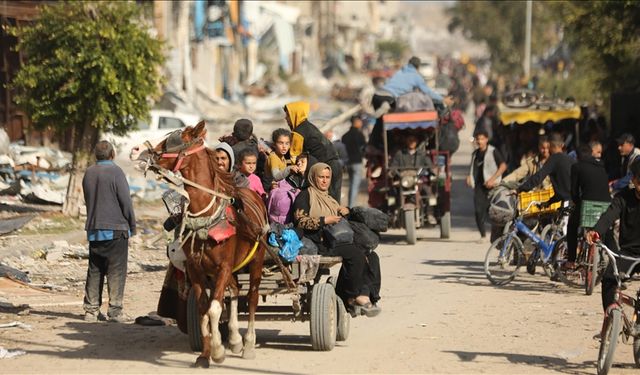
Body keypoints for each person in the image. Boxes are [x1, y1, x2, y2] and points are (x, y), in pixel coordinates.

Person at [292, 163, 381, 316]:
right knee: (356, 256)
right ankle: (350, 296)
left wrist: (344, 211)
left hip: (338, 239)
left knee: (371, 256)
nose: (324, 181)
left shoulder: (329, 197)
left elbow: (338, 216)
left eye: (327, 177)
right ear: (313, 177)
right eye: (321, 177)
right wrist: (324, 220)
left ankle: (365, 295)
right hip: (321, 241)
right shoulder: (305, 195)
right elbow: (299, 220)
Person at [82, 140, 136, 323]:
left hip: (94, 229)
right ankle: (115, 311)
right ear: (112, 154)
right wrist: (132, 225)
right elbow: (126, 202)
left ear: (95, 155)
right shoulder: (116, 172)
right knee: (116, 271)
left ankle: (91, 311)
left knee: (95, 270)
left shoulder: (89, 173)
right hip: (116, 230)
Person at [586, 160, 640, 312]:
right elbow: (609, 215)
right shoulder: (623, 198)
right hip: (628, 253)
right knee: (609, 278)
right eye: (639, 179)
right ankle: (610, 317)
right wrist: (596, 231)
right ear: (633, 179)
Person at [284, 101, 343, 202]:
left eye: (288, 115)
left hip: (326, 170)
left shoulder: (299, 132)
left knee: (327, 203)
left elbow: (294, 157)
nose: (286, 118)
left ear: (295, 115)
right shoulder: (308, 126)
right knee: (333, 202)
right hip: (335, 166)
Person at [566, 143, 611, 269]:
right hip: (606, 204)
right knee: (607, 231)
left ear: (578, 156)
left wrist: (576, 202)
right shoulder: (601, 166)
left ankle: (571, 260)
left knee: (572, 226)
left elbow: (574, 191)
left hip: (587, 203)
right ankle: (615, 262)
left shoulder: (576, 167)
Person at [467, 129, 507, 242]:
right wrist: (469, 176)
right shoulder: (475, 153)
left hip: (493, 186)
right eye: (478, 139)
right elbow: (472, 167)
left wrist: (493, 179)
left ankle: (498, 235)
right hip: (479, 185)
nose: (480, 141)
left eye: (482, 139)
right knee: (478, 211)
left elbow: (503, 166)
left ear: (486, 140)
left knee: (494, 211)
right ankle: (483, 235)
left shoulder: (493, 151)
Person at [517, 133, 576, 206]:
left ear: (550, 145)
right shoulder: (571, 160)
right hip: (576, 202)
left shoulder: (554, 159)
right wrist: (549, 202)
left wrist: (520, 189)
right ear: (562, 145)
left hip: (567, 204)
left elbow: (538, 177)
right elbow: (564, 189)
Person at [341, 115, 367, 207]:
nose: (361, 123)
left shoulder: (345, 136)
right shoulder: (359, 135)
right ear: (356, 122)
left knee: (351, 185)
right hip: (357, 163)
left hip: (348, 163)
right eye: (360, 121)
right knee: (354, 186)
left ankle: (350, 205)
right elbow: (364, 149)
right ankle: (351, 207)